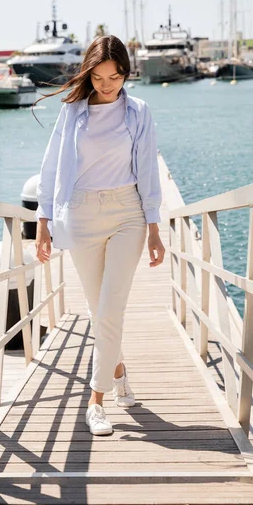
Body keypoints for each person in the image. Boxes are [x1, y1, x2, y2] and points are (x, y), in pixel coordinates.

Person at [34, 35, 165, 436]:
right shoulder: (72, 111)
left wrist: (155, 227)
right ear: (88, 72)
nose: (108, 84)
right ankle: (119, 369)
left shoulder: (138, 111)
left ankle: (96, 400)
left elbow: (147, 171)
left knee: (110, 310)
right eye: (100, 76)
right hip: (83, 215)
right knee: (98, 310)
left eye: (116, 76)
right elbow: (51, 166)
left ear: (126, 74)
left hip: (128, 214)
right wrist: (43, 221)